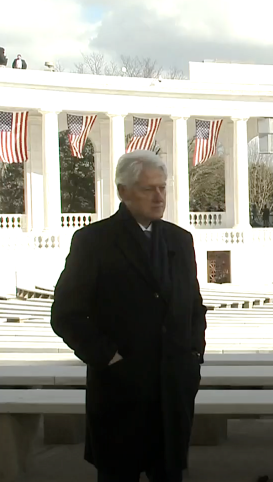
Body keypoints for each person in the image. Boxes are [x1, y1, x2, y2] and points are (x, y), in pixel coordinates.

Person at [51, 150, 208, 482]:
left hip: (171, 390)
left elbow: (193, 306)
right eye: (148, 188)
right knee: (118, 474)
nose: (159, 196)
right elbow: (66, 313)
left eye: (162, 187)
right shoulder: (93, 241)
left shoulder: (181, 240)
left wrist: (193, 356)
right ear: (122, 191)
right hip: (120, 391)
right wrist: (108, 356)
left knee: (169, 474)